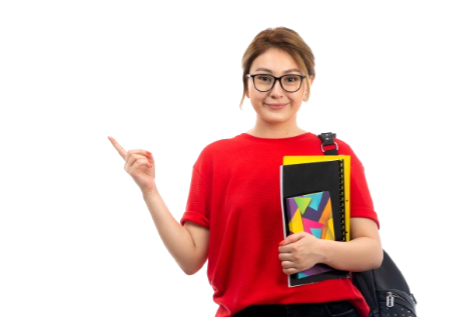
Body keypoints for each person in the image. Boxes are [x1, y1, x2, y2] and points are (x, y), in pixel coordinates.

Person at [107, 26, 383, 317]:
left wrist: (322, 251)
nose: (276, 92)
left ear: (307, 85)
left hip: (328, 311)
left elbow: (371, 252)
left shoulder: (335, 152)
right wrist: (149, 189)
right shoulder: (216, 157)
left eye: (290, 79)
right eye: (264, 78)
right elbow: (190, 260)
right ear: (246, 84)